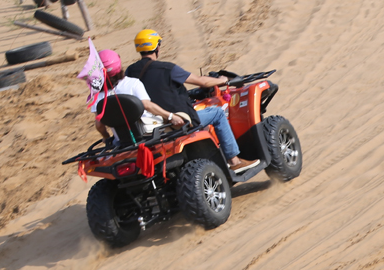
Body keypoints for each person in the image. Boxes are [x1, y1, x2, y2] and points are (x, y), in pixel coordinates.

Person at [125, 29, 259, 172]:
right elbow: (201, 81)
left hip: (150, 125)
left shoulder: (130, 72)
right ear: (157, 47)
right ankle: (234, 161)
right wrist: (222, 80)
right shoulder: (167, 68)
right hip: (176, 120)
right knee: (217, 114)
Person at [90, 49, 184, 143]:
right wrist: (171, 116)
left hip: (122, 141)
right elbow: (147, 105)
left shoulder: (97, 94)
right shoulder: (133, 83)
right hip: (149, 134)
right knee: (182, 125)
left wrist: (106, 137)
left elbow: (99, 125)